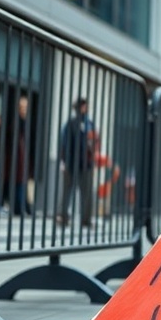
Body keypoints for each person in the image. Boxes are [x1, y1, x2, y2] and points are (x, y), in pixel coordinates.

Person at [58, 97, 97, 227]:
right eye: (85, 106)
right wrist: (63, 161)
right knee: (67, 191)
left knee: (87, 193)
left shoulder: (89, 123)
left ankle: (86, 219)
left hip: (86, 163)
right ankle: (63, 217)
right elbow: (64, 143)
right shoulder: (71, 123)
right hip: (71, 162)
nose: (86, 108)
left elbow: (94, 142)